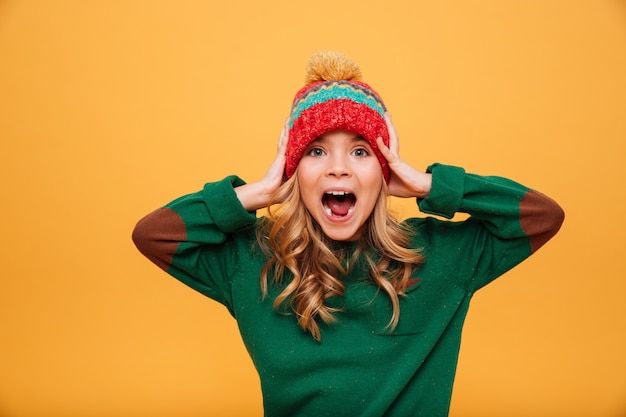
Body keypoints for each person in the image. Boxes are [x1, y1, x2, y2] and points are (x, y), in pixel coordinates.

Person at [132, 51, 564, 417]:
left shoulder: (438, 257)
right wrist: (259, 192)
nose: (338, 168)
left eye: (360, 152)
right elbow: (154, 234)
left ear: (384, 170)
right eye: (316, 151)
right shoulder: (251, 260)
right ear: (294, 171)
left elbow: (541, 216)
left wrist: (429, 185)